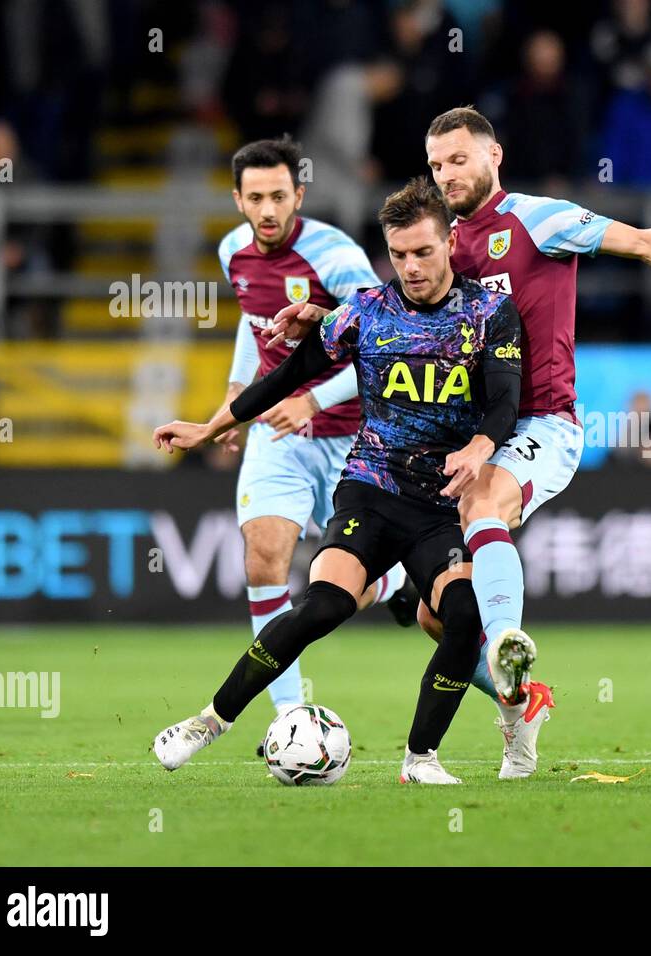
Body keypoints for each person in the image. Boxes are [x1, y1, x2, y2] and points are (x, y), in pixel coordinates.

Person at [269, 105, 651, 779]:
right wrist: (325, 322)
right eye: (436, 164)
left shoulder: (539, 220)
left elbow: (635, 240)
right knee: (437, 618)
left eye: (459, 159)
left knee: (484, 502)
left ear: (494, 157)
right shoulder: (443, 241)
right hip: (460, 440)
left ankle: (510, 638)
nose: (447, 173)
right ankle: (521, 706)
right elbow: (392, 325)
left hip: (540, 427)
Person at [152, 177, 522, 784]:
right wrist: (210, 426)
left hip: (442, 506)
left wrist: (480, 447)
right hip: (371, 493)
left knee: (462, 615)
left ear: (451, 242)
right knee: (323, 606)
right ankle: (209, 722)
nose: (411, 267)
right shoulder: (366, 311)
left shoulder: (489, 313)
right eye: (399, 255)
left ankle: (420, 759)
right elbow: (287, 373)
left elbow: (505, 402)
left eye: (423, 253)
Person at [214, 138, 416, 755]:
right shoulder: (234, 252)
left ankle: (397, 581)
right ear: (238, 200)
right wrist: (230, 408)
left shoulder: (332, 255)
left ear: (298, 195)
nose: (268, 209)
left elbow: (385, 341)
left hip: (358, 434)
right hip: (282, 432)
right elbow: (254, 332)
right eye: (256, 198)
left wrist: (314, 400)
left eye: (279, 196)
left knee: (347, 585)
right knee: (263, 558)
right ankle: (290, 715)